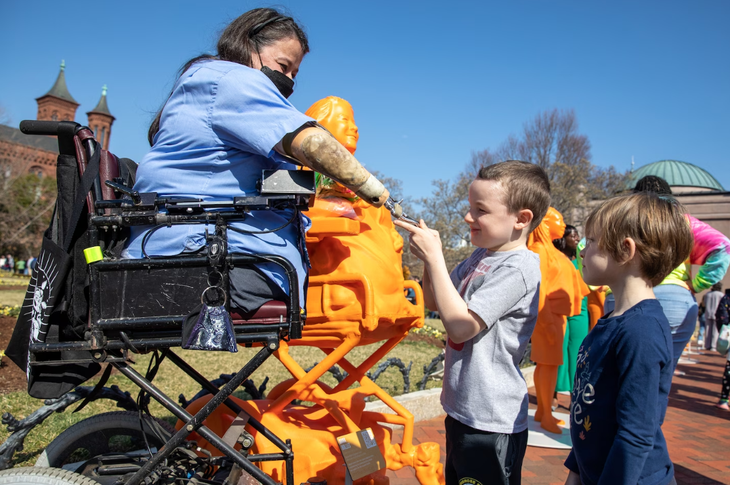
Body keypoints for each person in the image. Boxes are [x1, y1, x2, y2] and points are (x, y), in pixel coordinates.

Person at [123, 9, 401, 313]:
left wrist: (321, 189)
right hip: (205, 258)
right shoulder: (232, 80)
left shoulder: (210, 85)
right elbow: (312, 143)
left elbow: (256, 181)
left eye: (295, 73)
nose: (289, 80)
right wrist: (378, 193)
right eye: (284, 65)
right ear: (247, 44)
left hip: (200, 250)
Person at [395, 160, 550, 485]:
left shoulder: (518, 269)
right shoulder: (480, 256)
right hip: (463, 409)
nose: (468, 217)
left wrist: (437, 257)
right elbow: (435, 302)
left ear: (521, 219)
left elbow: (461, 326)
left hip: (491, 421)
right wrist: (427, 262)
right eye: (470, 207)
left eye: (480, 210)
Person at [563, 192, 692, 485]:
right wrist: (576, 471)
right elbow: (591, 413)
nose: (582, 250)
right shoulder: (613, 320)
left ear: (624, 250)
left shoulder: (641, 332)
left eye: (592, 241)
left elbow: (636, 433)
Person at [625, 175, 730, 370]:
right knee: (661, 375)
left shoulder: (624, 222)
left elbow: (584, 246)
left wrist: (599, 285)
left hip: (626, 297)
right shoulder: (683, 223)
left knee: (623, 372)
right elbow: (723, 246)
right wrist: (697, 285)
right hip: (674, 300)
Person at [528, 207, 588, 434]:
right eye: (558, 220)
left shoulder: (548, 251)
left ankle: (543, 412)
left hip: (555, 317)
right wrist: (545, 320)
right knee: (548, 365)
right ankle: (545, 414)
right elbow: (539, 289)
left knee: (548, 364)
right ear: (544, 224)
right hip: (548, 316)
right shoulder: (538, 251)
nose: (563, 224)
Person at [715, 289, 730, 410]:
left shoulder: (727, 297)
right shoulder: (727, 297)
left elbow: (721, 315)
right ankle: (724, 398)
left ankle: (724, 398)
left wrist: (724, 328)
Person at [702, 283, 724, 351]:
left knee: (708, 330)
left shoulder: (707, 294)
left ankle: (707, 345)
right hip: (717, 314)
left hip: (708, 313)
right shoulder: (721, 295)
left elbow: (704, 304)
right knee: (715, 331)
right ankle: (713, 346)